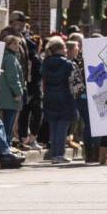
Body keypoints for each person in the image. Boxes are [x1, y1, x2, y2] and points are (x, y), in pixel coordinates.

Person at [42, 36, 78, 164]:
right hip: (65, 97)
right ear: (61, 49)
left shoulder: (45, 63)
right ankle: (59, 154)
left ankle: (54, 154)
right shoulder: (68, 64)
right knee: (62, 127)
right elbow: (74, 82)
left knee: (53, 127)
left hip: (49, 97)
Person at [0, 35, 25, 148]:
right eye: (16, 43)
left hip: (4, 95)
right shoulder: (10, 58)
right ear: (9, 45)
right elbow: (13, 77)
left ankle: (5, 146)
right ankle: (6, 147)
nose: (18, 46)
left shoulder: (4, 57)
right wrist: (18, 92)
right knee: (8, 124)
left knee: (5, 123)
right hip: (10, 96)